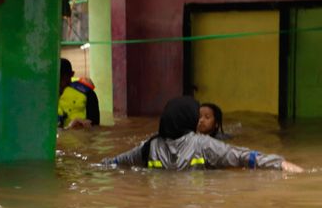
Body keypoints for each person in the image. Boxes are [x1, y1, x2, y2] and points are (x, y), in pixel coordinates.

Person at [104, 96, 303, 172]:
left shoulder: (149, 147)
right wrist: (278, 163)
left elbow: (114, 162)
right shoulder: (203, 144)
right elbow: (240, 156)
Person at [58, 57, 101, 129]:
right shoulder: (46, 97)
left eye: (63, 78)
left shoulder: (88, 94)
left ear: (72, 74)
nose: (60, 84)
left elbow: (95, 126)